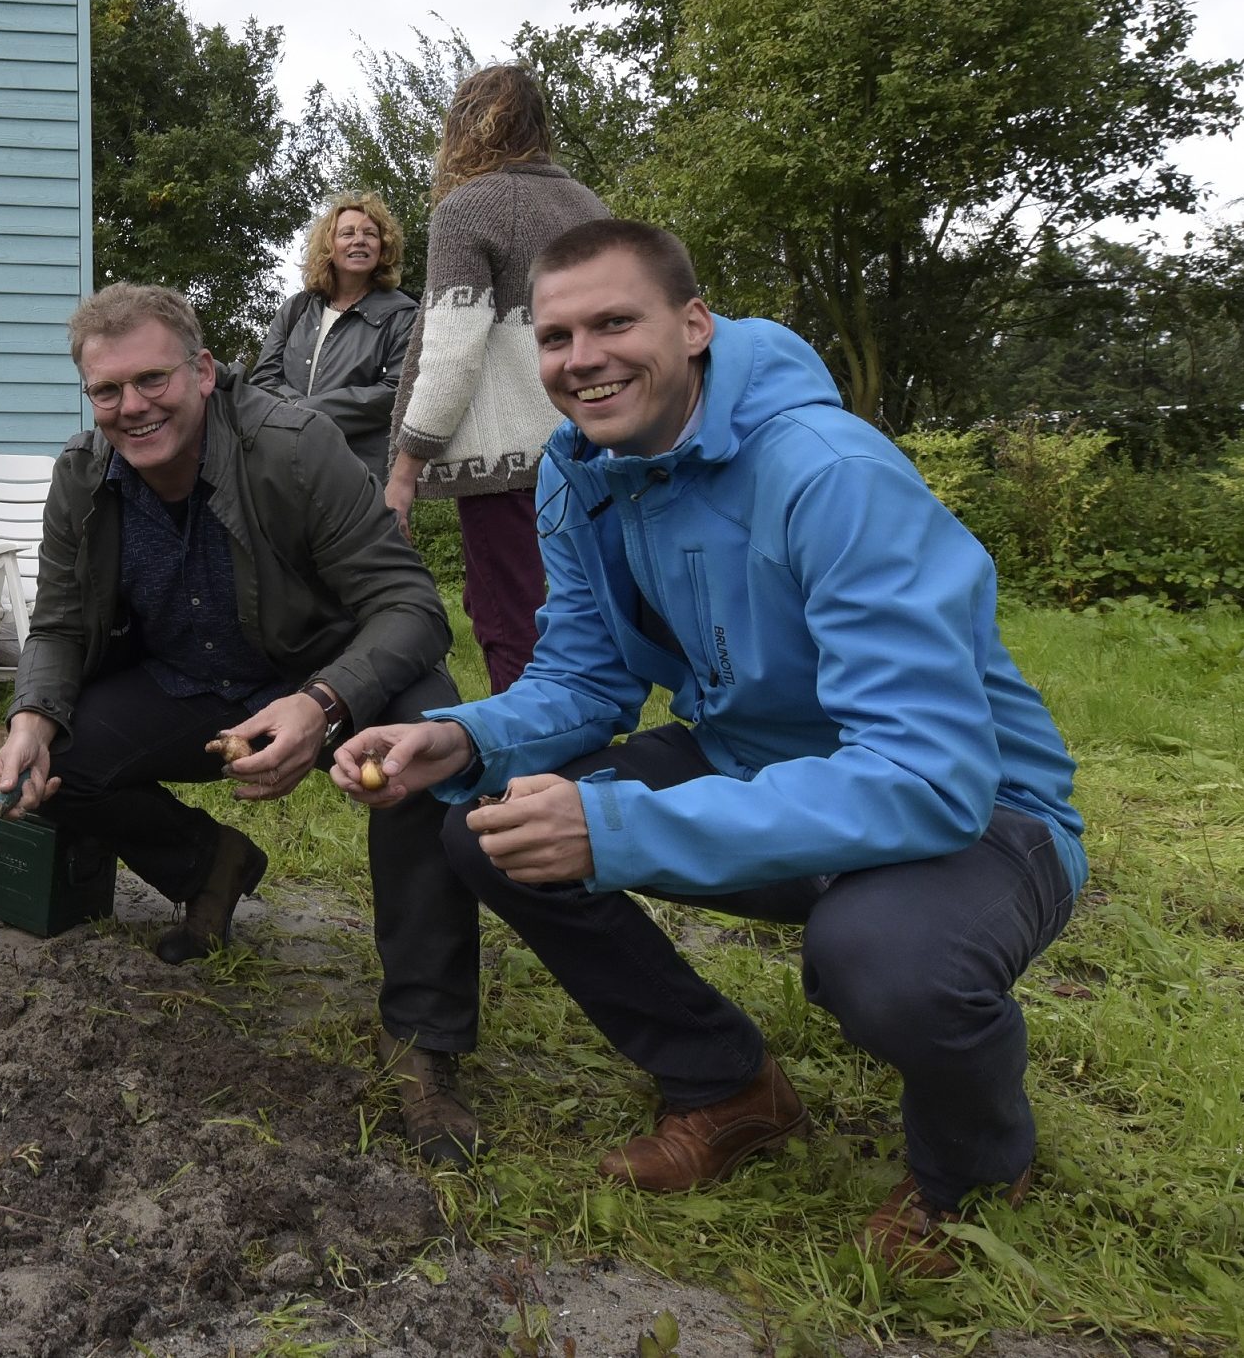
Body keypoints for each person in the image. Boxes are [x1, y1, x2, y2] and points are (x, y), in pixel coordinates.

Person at [336, 221, 1082, 1273]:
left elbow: (925, 776)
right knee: (491, 830)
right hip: (756, 765)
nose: (581, 359)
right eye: (554, 337)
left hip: (977, 809)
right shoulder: (582, 471)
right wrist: (457, 737)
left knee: (882, 959)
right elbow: (584, 681)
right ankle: (727, 1088)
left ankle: (970, 1170)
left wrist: (614, 826)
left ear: (693, 326)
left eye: (613, 322)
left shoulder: (829, 475)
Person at [0, 282, 487, 1162]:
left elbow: (410, 605)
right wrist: (30, 715)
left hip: (324, 679)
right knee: (57, 759)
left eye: (152, 381)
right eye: (107, 391)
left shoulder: (296, 448)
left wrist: (324, 702)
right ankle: (208, 864)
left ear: (205, 371)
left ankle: (423, 1039)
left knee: (425, 737)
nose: (131, 407)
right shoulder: (81, 475)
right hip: (192, 685)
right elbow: (61, 625)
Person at [384, 65, 607, 693]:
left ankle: (533, 779)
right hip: (593, 447)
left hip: (505, 467)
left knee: (511, 625)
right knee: (585, 624)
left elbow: (452, 356)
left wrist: (404, 473)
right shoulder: (588, 205)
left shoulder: (468, 209)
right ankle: (576, 768)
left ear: (468, 124)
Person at [250, 191, 417, 477]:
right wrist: (297, 410)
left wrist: (306, 411)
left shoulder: (404, 315)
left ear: (383, 247)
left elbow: (397, 391)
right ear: (329, 246)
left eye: (370, 234)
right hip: (288, 468)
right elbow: (263, 379)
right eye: (347, 233)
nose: (359, 240)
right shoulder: (296, 309)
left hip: (361, 474)